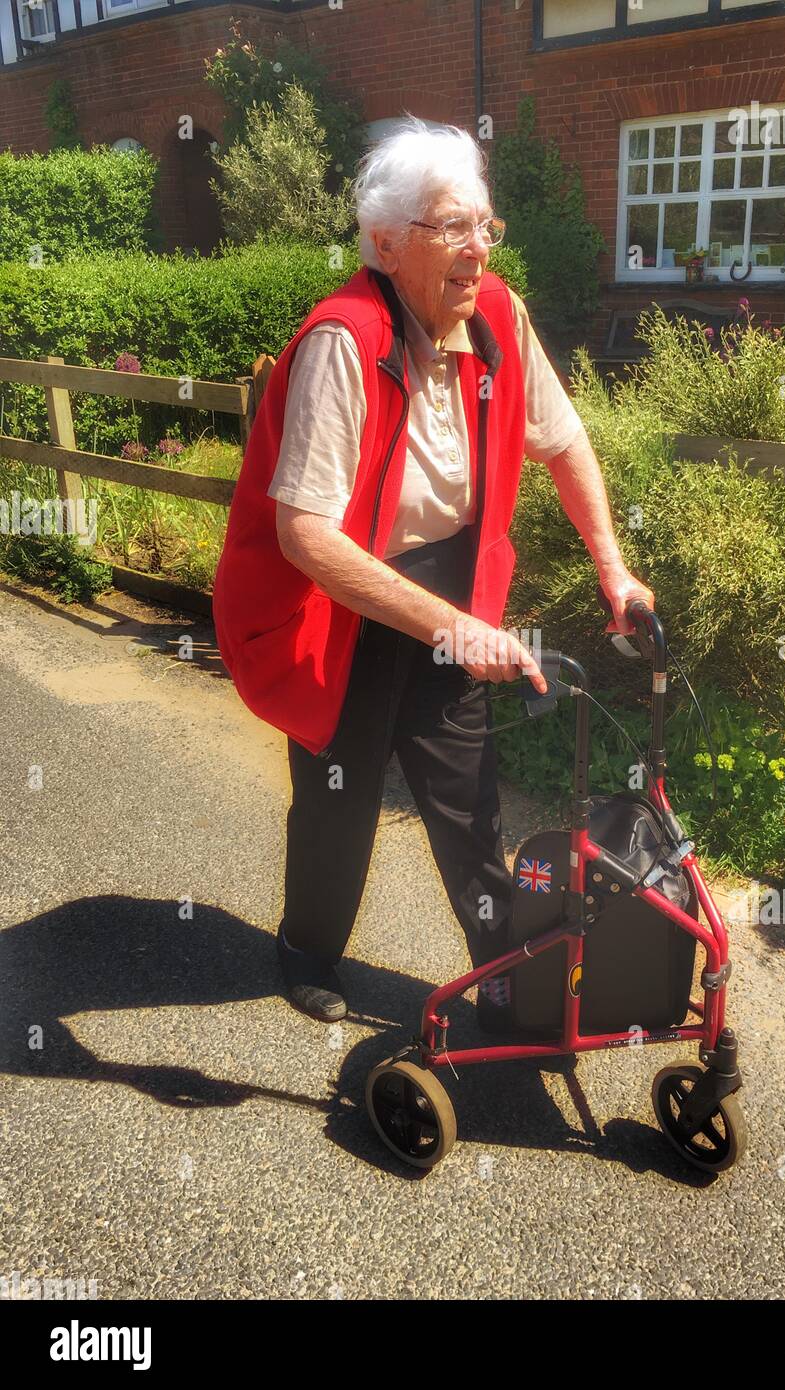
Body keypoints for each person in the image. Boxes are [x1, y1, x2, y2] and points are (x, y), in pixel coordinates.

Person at [212, 116, 654, 1029]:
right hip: (342, 602)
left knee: (469, 800)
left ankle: (505, 977)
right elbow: (307, 537)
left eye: (484, 226)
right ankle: (306, 949)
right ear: (384, 243)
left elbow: (563, 443)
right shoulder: (343, 339)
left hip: (451, 586)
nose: (476, 250)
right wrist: (455, 628)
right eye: (451, 228)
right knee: (339, 792)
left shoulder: (497, 316)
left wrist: (614, 571)